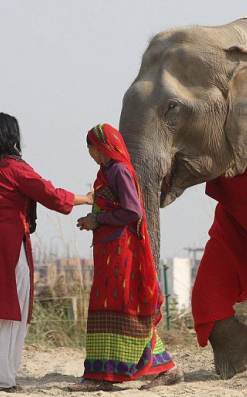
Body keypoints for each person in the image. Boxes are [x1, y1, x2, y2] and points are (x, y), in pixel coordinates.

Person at [0, 112, 91, 393]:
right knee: (7, 310)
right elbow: (51, 195)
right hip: (6, 245)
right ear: (12, 137)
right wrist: (86, 198)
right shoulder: (14, 168)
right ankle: (0, 382)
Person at [69, 123, 184, 392]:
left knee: (124, 308)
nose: (91, 153)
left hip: (122, 251)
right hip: (109, 250)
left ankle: (103, 376)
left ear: (104, 146)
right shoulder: (106, 171)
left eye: (93, 148)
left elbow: (133, 211)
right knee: (113, 308)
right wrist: (94, 221)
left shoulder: (119, 170)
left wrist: (97, 219)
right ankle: (158, 368)